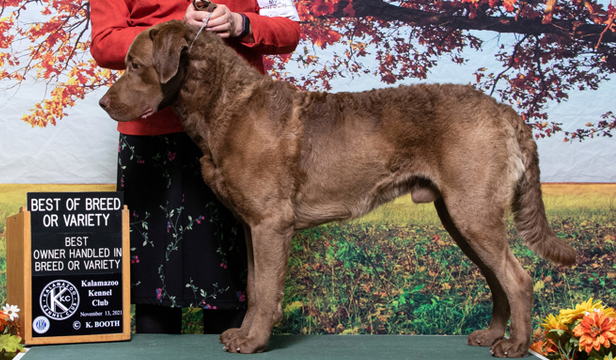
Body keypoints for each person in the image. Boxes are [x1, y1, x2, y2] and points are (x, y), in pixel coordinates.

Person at [90, 0, 300, 334]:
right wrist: (178, 32)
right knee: (153, 292)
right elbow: (104, 43)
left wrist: (241, 24)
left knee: (230, 283)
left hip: (238, 134)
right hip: (152, 135)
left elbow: (290, 30)